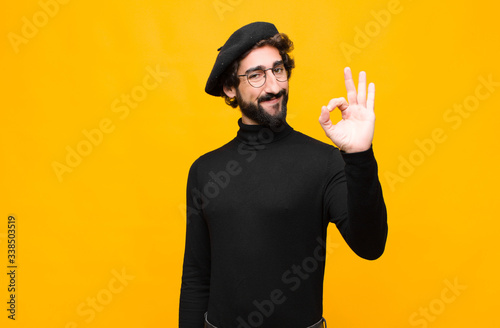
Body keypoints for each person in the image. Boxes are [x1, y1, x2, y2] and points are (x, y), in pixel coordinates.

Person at [179, 22, 388, 328]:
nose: (274, 86)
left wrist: (359, 156)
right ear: (229, 88)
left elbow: (370, 245)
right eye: (256, 75)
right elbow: (196, 275)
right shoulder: (205, 170)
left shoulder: (324, 161)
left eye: (278, 69)